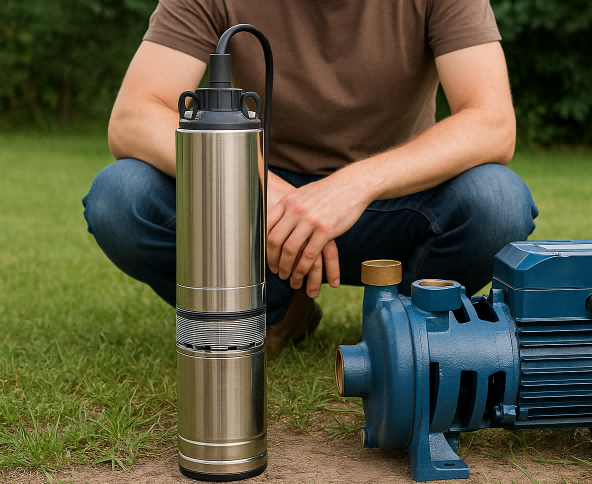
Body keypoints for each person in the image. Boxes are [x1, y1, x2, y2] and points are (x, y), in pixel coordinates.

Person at [82, 0, 539, 359]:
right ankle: (274, 309)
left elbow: (492, 122)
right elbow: (133, 118)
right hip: (261, 211)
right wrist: (259, 187)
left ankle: (401, 334)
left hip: (395, 201)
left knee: (498, 201)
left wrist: (352, 187)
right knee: (121, 197)